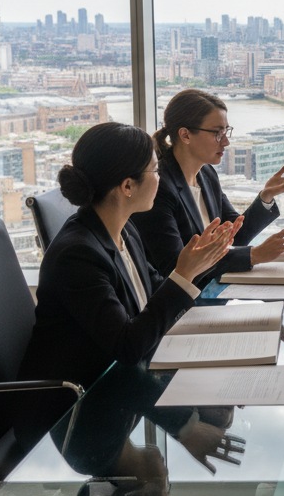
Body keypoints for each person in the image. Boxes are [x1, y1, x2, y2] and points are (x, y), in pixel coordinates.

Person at [19, 121, 236, 393]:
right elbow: (127, 347)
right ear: (127, 186)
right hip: (75, 404)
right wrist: (183, 275)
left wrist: (200, 263)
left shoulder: (126, 229)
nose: (161, 177)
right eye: (156, 170)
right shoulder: (76, 255)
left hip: (130, 379)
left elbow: (155, 290)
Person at [132, 89, 284, 280]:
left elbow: (235, 236)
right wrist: (254, 255)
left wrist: (266, 197)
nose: (226, 142)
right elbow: (175, 266)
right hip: (181, 302)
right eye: (217, 133)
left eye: (226, 131)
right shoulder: (158, 187)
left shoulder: (206, 174)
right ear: (185, 135)